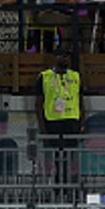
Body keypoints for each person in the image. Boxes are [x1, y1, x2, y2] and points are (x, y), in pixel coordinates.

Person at [37, 47, 82, 183]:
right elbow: (38, 104)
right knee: (56, 158)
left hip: (71, 121)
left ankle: (69, 186)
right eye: (62, 56)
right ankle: (57, 186)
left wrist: (82, 124)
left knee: (70, 157)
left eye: (67, 56)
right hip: (53, 121)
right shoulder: (45, 76)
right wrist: (43, 128)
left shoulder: (75, 76)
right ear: (54, 58)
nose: (66, 59)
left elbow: (81, 101)